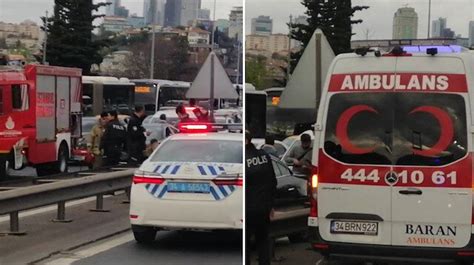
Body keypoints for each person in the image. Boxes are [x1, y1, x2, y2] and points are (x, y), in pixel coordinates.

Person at [245, 130, 277, 265]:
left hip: (247, 208)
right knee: (263, 241)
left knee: (245, 243)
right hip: (264, 207)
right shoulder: (265, 156)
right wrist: (271, 205)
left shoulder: (243, 159)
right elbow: (273, 181)